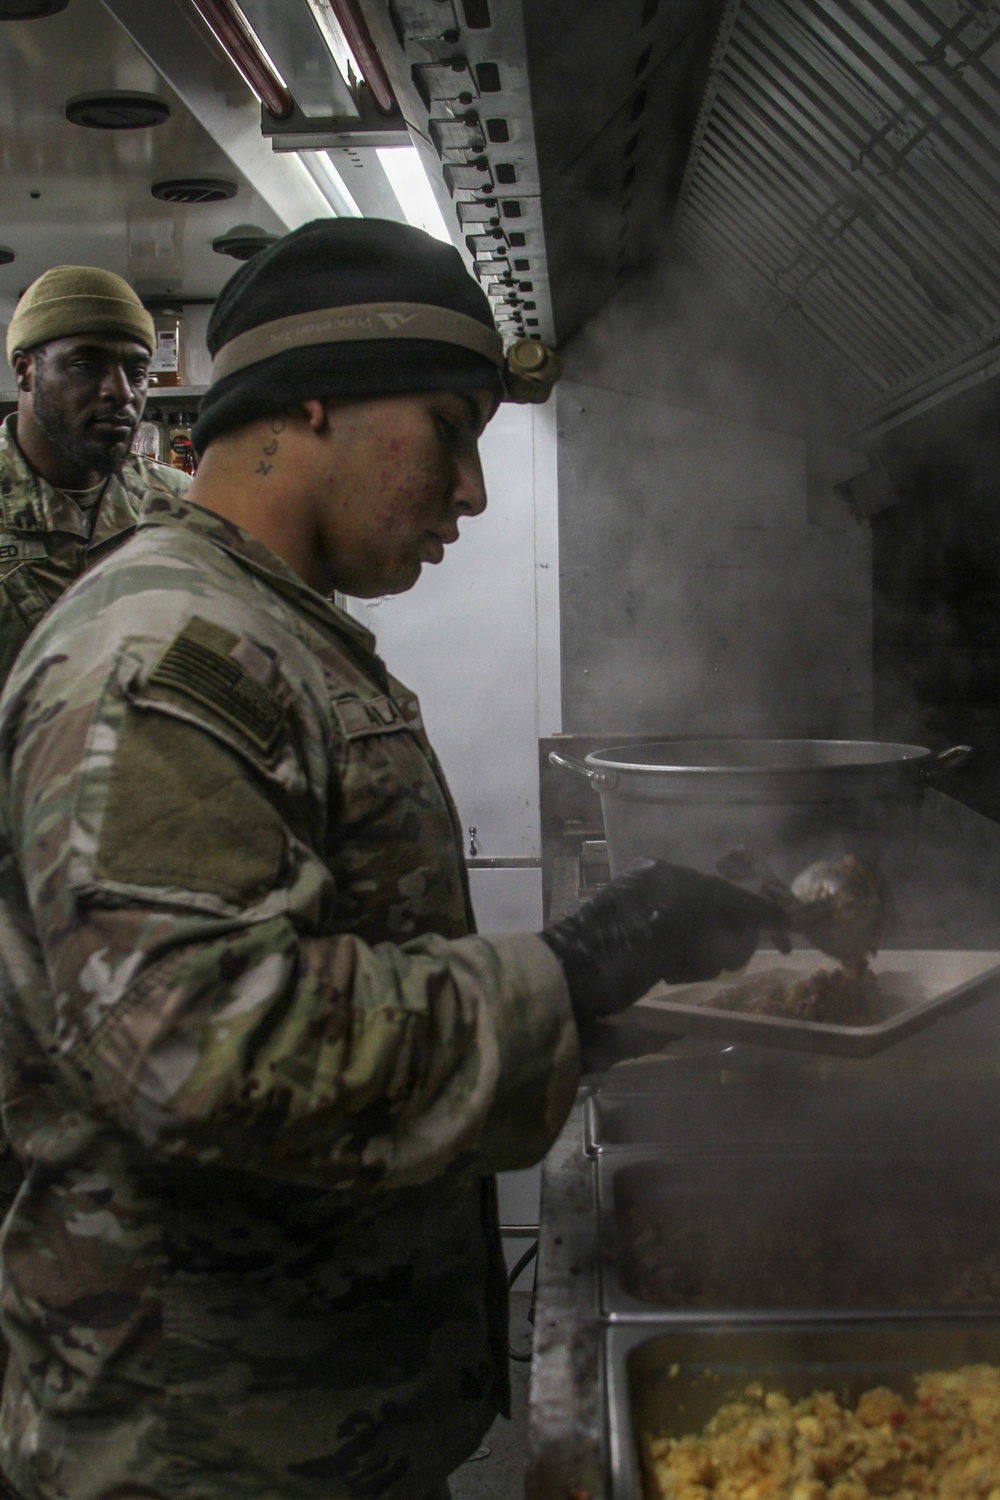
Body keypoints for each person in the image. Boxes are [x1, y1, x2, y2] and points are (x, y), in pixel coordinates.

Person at [0, 218, 784, 1500]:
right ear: (317, 404)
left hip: (303, 1425)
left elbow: (335, 959)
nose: (472, 492)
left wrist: (634, 1008)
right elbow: (198, 1048)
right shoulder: (165, 658)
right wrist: (570, 973)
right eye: (449, 431)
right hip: (201, 1447)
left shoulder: (269, 628)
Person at [0, 265, 192, 687]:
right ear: (25, 370)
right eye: (86, 365)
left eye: (137, 372)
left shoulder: (182, 508)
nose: (121, 392)